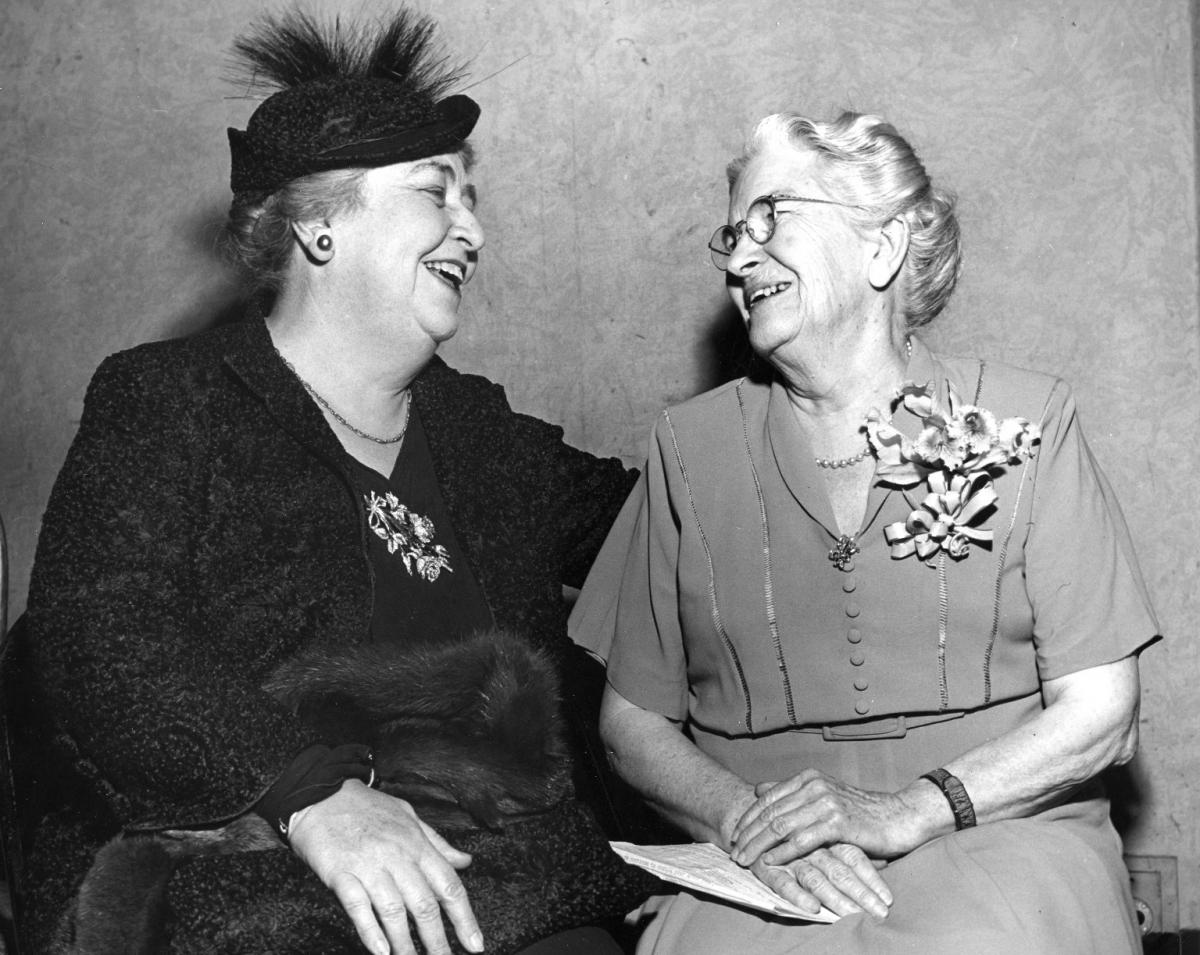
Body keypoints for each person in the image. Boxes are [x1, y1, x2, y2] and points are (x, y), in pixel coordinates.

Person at [17, 10, 647, 955]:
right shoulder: (167, 400)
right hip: (248, 880)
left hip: (509, 887)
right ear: (318, 228)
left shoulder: (482, 432)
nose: (473, 231)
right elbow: (98, 633)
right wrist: (310, 796)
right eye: (438, 193)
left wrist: (847, 428)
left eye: (472, 198)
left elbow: (667, 525)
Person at [569, 110, 1160, 954]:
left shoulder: (1028, 423)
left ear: (880, 248)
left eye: (772, 218)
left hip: (995, 834)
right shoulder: (687, 450)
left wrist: (908, 809)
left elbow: (1105, 712)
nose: (739, 259)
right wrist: (753, 821)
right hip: (767, 860)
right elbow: (630, 726)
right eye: (733, 233)